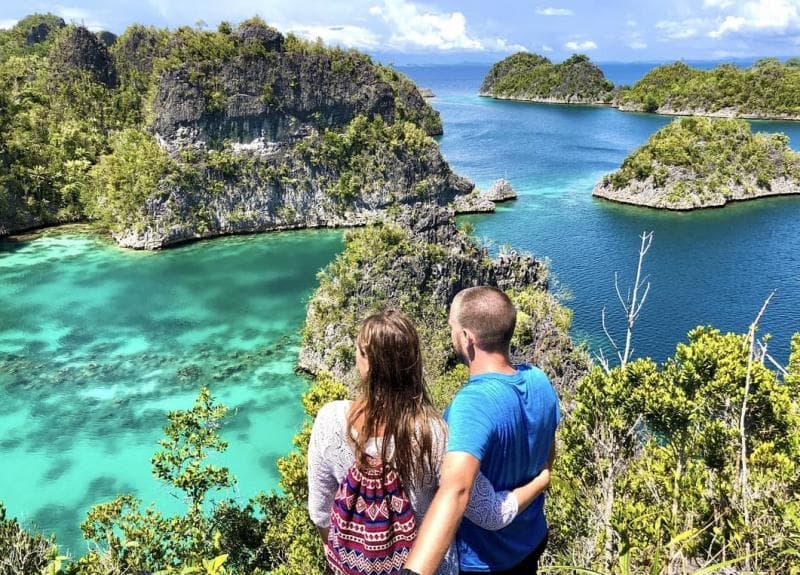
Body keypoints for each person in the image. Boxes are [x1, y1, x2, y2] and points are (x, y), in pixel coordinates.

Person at [307, 310, 553, 575]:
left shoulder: (329, 420)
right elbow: (490, 514)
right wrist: (543, 478)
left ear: (363, 361)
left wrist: (343, 559)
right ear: (413, 362)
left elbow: (321, 512)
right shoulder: (434, 434)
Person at [403, 286, 560, 575]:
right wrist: (543, 479)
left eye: (453, 327)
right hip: (531, 540)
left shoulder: (471, 404)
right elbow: (548, 453)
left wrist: (414, 571)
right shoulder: (540, 381)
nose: (452, 335)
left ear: (466, 338)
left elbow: (457, 488)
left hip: (486, 562)